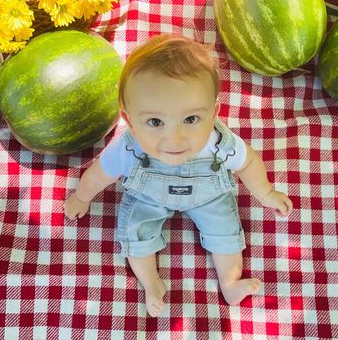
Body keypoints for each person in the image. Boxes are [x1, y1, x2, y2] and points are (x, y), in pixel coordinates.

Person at [64, 34, 293, 317]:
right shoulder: (128, 147)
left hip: (208, 197)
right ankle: (151, 282)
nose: (174, 138)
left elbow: (247, 164)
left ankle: (230, 281)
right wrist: (81, 196)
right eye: (155, 122)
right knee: (136, 233)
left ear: (213, 114)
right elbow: (99, 174)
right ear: (130, 121)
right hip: (148, 197)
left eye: (191, 119)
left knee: (225, 231)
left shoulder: (219, 141)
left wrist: (265, 192)